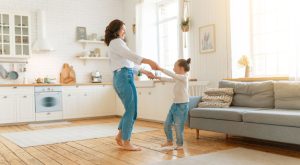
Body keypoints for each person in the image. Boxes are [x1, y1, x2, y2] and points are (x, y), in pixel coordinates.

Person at [105, 19, 157, 151]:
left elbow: (128, 64)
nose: (124, 32)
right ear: (116, 31)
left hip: (123, 76)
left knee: (131, 110)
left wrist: (144, 71)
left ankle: (120, 136)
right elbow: (131, 56)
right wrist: (149, 61)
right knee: (131, 111)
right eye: (123, 29)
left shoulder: (117, 44)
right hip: (124, 78)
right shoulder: (116, 42)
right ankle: (126, 142)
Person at [154, 58, 191, 150]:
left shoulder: (184, 77)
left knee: (178, 127)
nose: (173, 69)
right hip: (175, 104)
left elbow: (172, 75)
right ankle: (169, 141)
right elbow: (169, 79)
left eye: (175, 67)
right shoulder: (178, 78)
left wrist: (160, 68)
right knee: (167, 124)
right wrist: (157, 77)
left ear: (181, 68)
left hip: (182, 105)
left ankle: (180, 144)